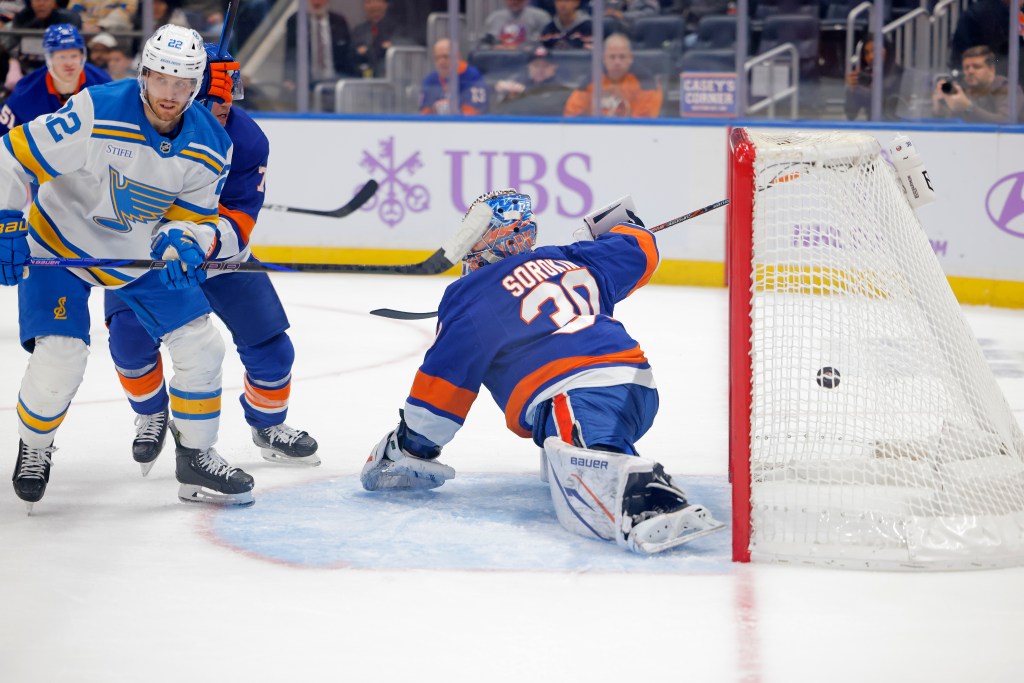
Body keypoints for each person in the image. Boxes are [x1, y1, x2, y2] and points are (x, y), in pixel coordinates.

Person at [360, 189, 725, 554]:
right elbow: (638, 250)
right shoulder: (572, 258)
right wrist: (610, 232)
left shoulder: (470, 294)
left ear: (501, 235)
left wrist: (413, 445)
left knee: (592, 451)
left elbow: (443, 387)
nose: (471, 240)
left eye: (478, 230)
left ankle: (651, 499)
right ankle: (602, 460)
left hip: (576, 389)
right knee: (573, 434)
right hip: (635, 383)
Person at [0, 24, 254, 510]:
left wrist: (184, 241)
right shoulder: (96, 110)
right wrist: (7, 219)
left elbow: (194, 217)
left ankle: (196, 456)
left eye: (183, 84)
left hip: (138, 255)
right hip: (61, 246)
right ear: (144, 74)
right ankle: (34, 446)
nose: (170, 95)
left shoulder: (211, 143)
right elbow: (10, 154)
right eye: (161, 80)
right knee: (61, 355)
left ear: (197, 85)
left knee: (202, 342)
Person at [104, 43, 320, 476]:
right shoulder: (143, 128)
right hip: (153, 259)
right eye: (211, 107)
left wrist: (201, 242)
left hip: (222, 258)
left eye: (227, 108)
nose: (220, 117)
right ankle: (151, 413)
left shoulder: (249, 140)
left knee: (273, 348)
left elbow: (241, 216)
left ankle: (268, 426)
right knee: (128, 338)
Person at [0, 24, 111, 137]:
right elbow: (3, 137)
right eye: (62, 57)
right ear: (49, 59)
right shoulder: (25, 92)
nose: (69, 64)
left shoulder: (103, 84)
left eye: (74, 56)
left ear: (82, 57)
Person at [563, 33, 662, 117]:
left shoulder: (646, 82)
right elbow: (571, 115)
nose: (617, 62)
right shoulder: (591, 81)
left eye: (622, 57)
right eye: (612, 57)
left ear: (631, 58)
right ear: (604, 58)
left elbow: (645, 122)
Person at [932, 45, 1024, 124]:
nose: (970, 71)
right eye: (966, 68)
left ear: (991, 69)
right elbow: (953, 126)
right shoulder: (964, 89)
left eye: (977, 67)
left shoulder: (1007, 88)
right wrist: (939, 109)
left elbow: (1006, 122)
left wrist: (968, 107)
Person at [284, 0, 354, 92]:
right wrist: (289, 78)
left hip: (335, 83)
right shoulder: (296, 21)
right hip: (307, 86)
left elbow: (347, 54)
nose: (316, 2)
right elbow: (290, 53)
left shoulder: (339, 21)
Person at [8, 0, 83, 75]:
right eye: (37, 0)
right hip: (26, 66)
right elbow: (13, 46)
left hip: (59, 66)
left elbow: (72, 49)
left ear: (54, 2)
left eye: (46, 0)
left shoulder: (68, 19)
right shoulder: (22, 17)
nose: (41, 4)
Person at [493, 45, 572, 115]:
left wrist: (524, 93)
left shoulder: (560, 88)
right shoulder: (519, 81)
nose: (540, 70)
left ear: (554, 67)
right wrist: (502, 94)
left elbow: (545, 108)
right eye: (536, 65)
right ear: (529, 67)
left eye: (545, 66)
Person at [419, 37, 488, 115]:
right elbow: (424, 116)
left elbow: (472, 114)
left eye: (446, 57)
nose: (441, 62)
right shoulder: (430, 81)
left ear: (457, 57)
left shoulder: (473, 77)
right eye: (437, 58)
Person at [844, 34, 903, 121]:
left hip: (900, 130)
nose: (871, 57)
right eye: (867, 53)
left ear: (887, 50)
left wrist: (873, 89)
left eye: (875, 50)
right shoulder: (866, 78)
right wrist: (851, 90)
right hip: (874, 129)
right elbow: (850, 115)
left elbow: (892, 108)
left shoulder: (901, 75)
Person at [351, 0, 410, 79]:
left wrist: (367, 50)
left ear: (386, 4)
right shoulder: (358, 31)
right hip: (362, 78)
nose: (373, 6)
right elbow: (352, 57)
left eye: (377, 1)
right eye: (369, 2)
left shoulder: (397, 29)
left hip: (389, 77)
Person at [478, 0, 551, 51]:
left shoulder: (541, 17)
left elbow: (549, 45)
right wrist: (493, 48)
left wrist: (524, 48)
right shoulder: (494, 18)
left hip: (531, 64)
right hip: (500, 63)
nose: (514, 1)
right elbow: (482, 46)